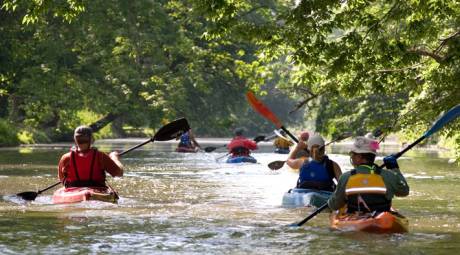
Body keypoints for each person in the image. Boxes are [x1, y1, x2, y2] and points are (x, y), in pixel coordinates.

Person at [327, 136, 409, 213]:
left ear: (359, 157)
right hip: (382, 219)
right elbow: (404, 191)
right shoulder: (389, 176)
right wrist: (394, 168)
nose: (351, 157)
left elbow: (334, 205)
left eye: (352, 154)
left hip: (354, 220)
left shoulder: (345, 177)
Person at [58, 125, 123, 188]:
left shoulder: (66, 158)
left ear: (75, 139)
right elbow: (119, 173)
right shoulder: (101, 156)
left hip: (73, 191)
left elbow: (62, 178)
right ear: (92, 139)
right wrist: (114, 157)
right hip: (98, 190)